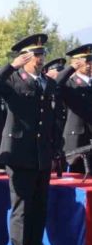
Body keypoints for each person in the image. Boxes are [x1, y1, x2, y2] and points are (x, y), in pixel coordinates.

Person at [0, 34, 62, 245]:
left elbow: (53, 120)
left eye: (41, 55)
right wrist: (11, 66)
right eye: (34, 55)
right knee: (21, 212)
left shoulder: (47, 84)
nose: (39, 59)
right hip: (17, 154)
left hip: (41, 156)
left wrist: (56, 151)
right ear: (24, 57)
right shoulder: (13, 79)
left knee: (38, 211)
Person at [54, 44, 92, 175]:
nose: (89, 64)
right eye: (86, 61)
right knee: (77, 179)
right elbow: (55, 83)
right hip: (77, 142)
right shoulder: (69, 84)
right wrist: (71, 68)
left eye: (91, 60)